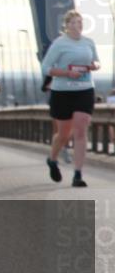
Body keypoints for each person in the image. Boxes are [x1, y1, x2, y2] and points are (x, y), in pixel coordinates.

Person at [41, 10, 101, 188]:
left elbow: (97, 61)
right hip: (63, 92)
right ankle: (52, 159)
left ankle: (78, 174)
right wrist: (67, 73)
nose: (77, 26)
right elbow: (46, 68)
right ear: (66, 26)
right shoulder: (59, 44)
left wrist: (94, 66)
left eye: (80, 23)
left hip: (85, 90)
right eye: (73, 23)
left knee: (81, 130)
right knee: (64, 135)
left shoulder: (88, 42)